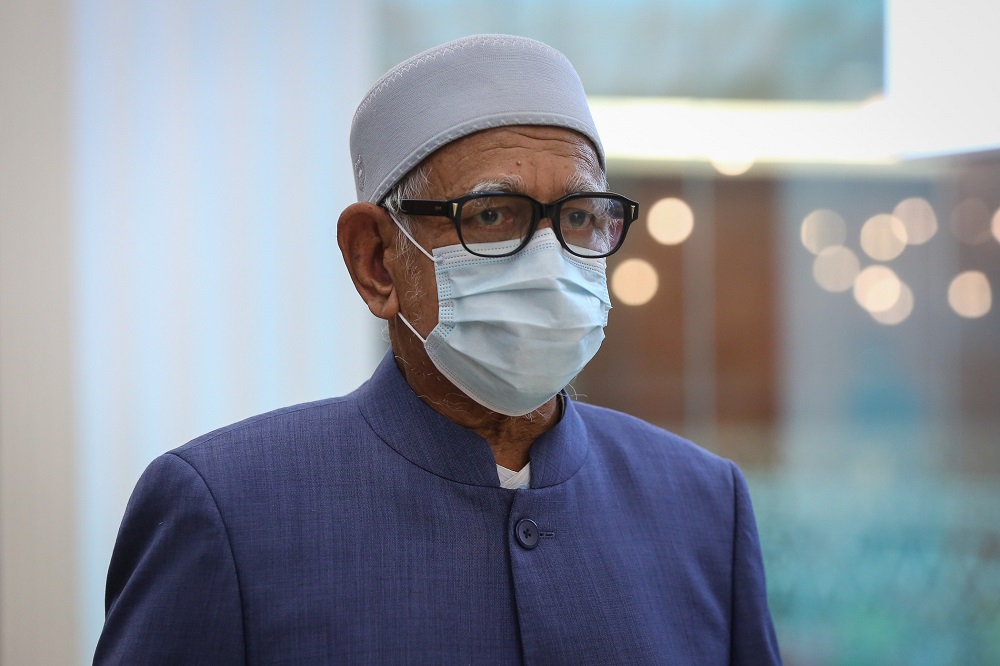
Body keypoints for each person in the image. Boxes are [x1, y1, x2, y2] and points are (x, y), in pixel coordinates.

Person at [94, 34, 781, 665]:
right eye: (490, 215)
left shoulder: (700, 505)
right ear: (377, 262)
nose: (548, 259)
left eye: (579, 217)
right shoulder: (229, 510)